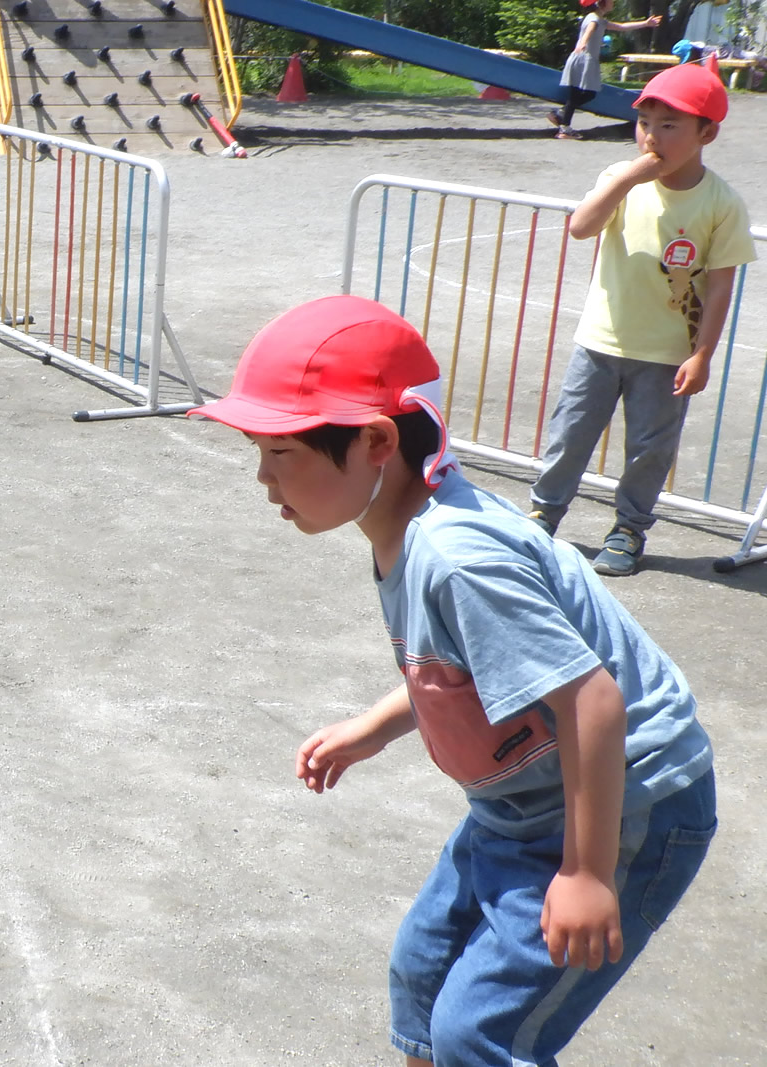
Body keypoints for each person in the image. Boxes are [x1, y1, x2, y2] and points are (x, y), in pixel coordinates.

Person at [193, 295, 716, 1067]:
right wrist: (375, 725)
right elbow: (476, 671)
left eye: (281, 452)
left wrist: (586, 869)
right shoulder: (404, 526)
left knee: (482, 1035)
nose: (263, 478)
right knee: (423, 975)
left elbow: (592, 699)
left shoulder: (457, 556)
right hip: (517, 805)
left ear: (375, 440)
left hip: (628, 803)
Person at [528, 63, 754, 576]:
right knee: (570, 436)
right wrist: (629, 177)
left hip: (667, 353)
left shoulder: (721, 203)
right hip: (600, 342)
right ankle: (543, 513)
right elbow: (581, 228)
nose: (651, 136)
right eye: (644, 122)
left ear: (707, 133)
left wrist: (702, 356)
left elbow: (720, 286)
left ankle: (628, 529)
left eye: (669, 125)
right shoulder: (620, 178)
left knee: (649, 451)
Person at [550, 0, 661, 139]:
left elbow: (621, 26)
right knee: (582, 94)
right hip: (584, 59)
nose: (612, 3)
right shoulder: (594, 19)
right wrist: (583, 42)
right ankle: (564, 128)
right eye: (610, 1)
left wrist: (645, 23)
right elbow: (590, 29)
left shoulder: (599, 19)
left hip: (584, 59)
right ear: (600, 3)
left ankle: (562, 116)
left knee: (582, 94)